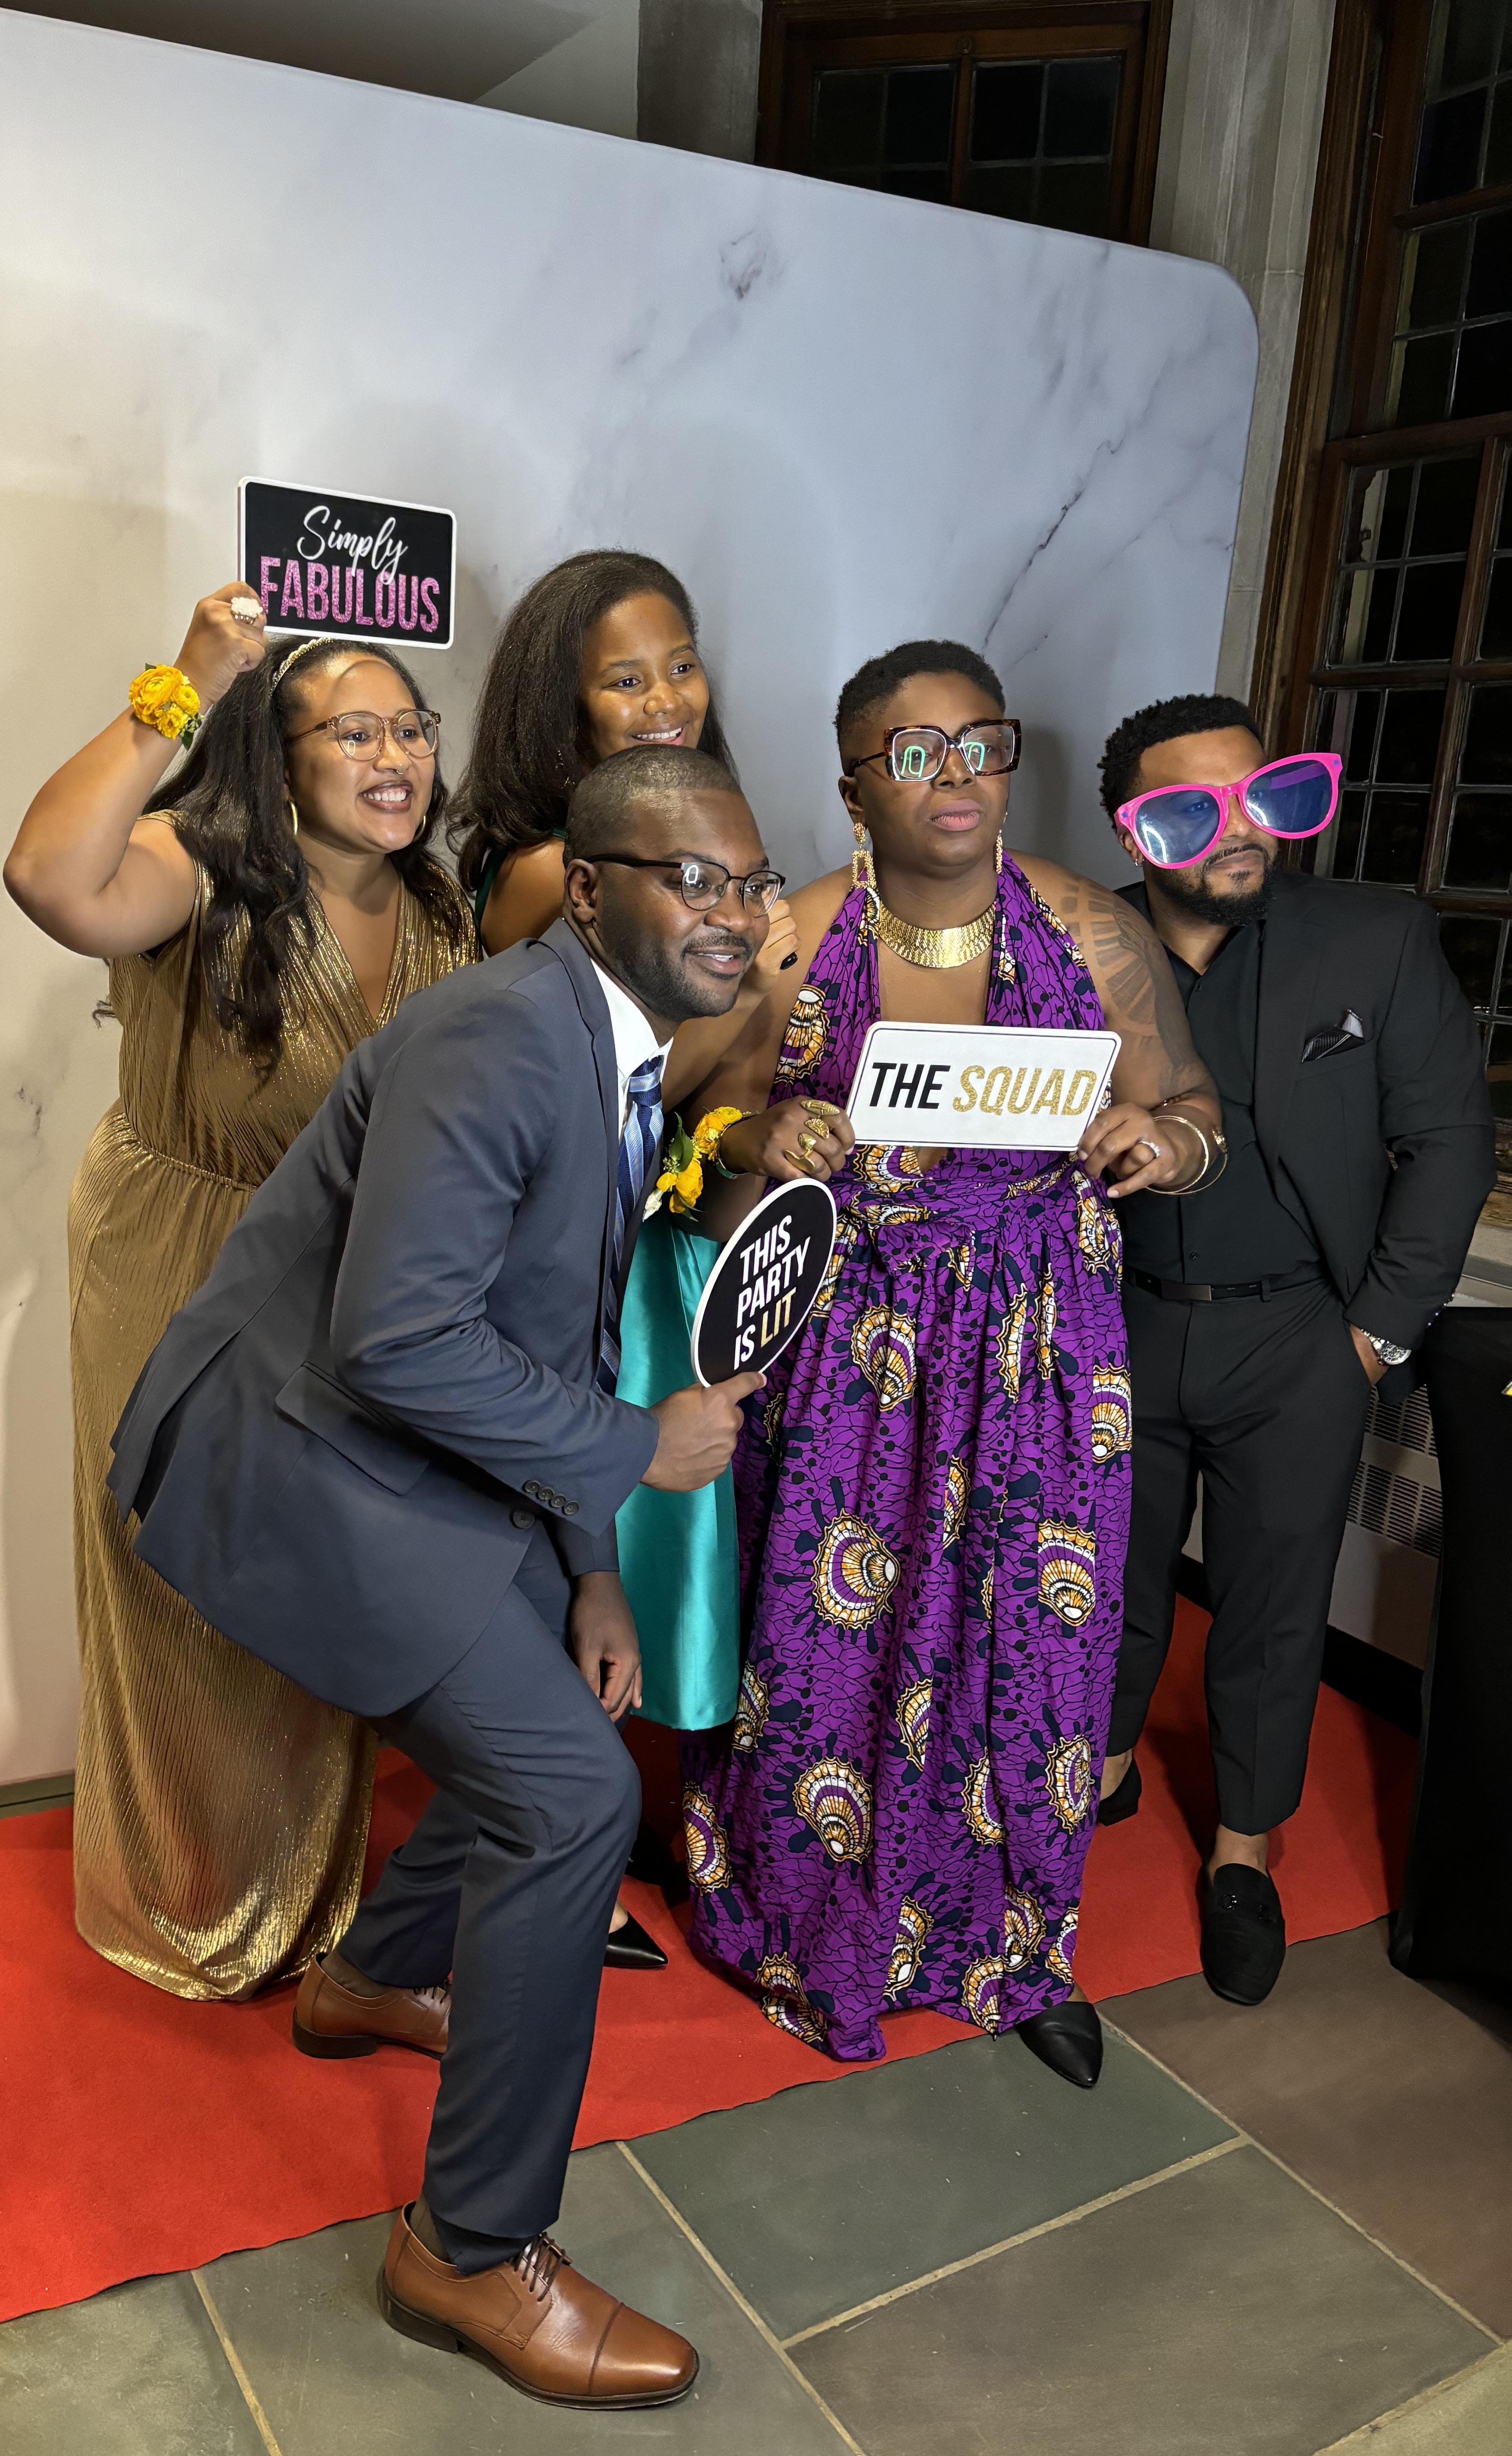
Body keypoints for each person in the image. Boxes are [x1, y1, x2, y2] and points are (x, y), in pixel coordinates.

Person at [107, 743, 771, 2407]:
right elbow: (399, 1341)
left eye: (753, 884)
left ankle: (375, 1978)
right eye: (693, 879)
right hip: (303, 1460)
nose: (736, 914)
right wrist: (636, 1452)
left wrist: (593, 1571)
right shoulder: (502, 1033)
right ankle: (467, 2251)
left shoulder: (612, 1044)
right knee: (569, 1797)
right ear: (590, 889)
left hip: (416, 1460)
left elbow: (542, 1327)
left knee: (566, 1695)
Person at [680, 641, 1221, 2086]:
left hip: (1045, 1348)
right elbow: (698, 1135)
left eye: (981, 742)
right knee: (828, 1645)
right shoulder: (789, 942)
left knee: (1033, 1647)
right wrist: (758, 1139)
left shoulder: (1089, 929)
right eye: (914, 753)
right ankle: (809, 1922)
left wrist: (1165, 1142)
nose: (958, 776)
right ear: (852, 782)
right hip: (850, 1352)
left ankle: (1014, 1945)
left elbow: (1189, 1104)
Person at [3, 584, 475, 1999]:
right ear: (278, 754)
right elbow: (48, 877)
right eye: (352, 733)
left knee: (313, 1577)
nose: (393, 757)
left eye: (410, 728)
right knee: (185, 1575)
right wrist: (187, 681)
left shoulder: (438, 903)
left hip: (350, 1284)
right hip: (182, 1260)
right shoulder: (198, 869)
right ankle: (191, 1894)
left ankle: (308, 1883)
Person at [1094, 693, 1494, 2005]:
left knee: (1271, 1608)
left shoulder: (1372, 939)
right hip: (1112, 1324)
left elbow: (1448, 1142)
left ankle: (1242, 1849)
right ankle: (1100, 1766)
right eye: (1192, 807)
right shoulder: (1075, 944)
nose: (1238, 829)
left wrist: (1373, 1335)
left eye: (1259, 795)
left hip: (1300, 1337)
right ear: (1135, 829)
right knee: (1106, 1581)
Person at [453, 550, 814, 1792]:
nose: (667, 698)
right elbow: (635, 1068)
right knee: (566, 1535)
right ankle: (552, 1813)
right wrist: (761, 969)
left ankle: (629, 1804)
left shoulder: (702, 854)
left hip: (660, 1243)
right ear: (562, 704)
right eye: (624, 679)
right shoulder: (546, 870)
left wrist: (754, 1131)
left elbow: (702, 1100)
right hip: (561, 1254)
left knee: (653, 1547)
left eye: (682, 664)